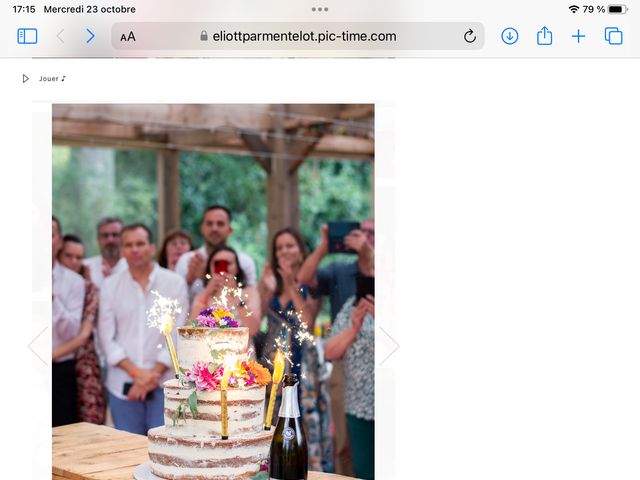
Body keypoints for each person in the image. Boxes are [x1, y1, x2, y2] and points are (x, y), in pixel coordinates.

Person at [296, 219, 374, 476]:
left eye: (372, 233)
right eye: (359, 232)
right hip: (345, 358)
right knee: (344, 440)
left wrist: (370, 255)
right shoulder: (341, 269)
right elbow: (303, 279)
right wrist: (325, 245)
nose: (365, 237)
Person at [98, 224, 189, 435]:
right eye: (128, 245)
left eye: (140, 243)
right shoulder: (110, 285)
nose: (135, 249)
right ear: (121, 250)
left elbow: (177, 333)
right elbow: (106, 338)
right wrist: (138, 373)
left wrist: (152, 375)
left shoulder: (174, 283)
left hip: (164, 382)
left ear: (152, 247)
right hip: (122, 382)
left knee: (163, 450)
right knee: (126, 451)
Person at [258, 228, 334, 472]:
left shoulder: (311, 283)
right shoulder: (271, 283)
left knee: (305, 415)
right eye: (279, 247)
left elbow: (307, 323)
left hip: (304, 362)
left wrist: (291, 284)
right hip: (275, 363)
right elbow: (256, 321)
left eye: (290, 246)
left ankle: (310, 469)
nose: (284, 251)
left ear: (302, 251)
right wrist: (267, 288)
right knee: (274, 416)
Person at [56, 234, 105, 424]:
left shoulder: (89, 288)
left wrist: (49, 356)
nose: (74, 262)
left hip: (83, 361)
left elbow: (83, 334)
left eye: (79, 257)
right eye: (69, 256)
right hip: (58, 360)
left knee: (86, 421)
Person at [325, 293, 375, 480]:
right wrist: (354, 328)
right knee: (363, 469)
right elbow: (329, 351)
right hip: (359, 404)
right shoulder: (353, 304)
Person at [175, 205, 257, 303]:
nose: (214, 228)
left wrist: (206, 276)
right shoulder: (187, 261)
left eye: (220, 224)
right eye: (209, 224)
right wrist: (189, 280)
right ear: (202, 228)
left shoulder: (244, 262)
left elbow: (251, 303)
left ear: (230, 230)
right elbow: (175, 301)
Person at [52, 217, 86, 427]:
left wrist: (51, 297)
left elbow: (71, 332)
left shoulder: (74, 281)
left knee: (61, 437)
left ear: (58, 240)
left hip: (59, 370)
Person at [190, 245, 261, 336]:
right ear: (210, 268)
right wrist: (207, 293)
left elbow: (253, 329)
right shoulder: (202, 296)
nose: (223, 268)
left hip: (242, 347)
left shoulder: (250, 292)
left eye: (228, 263)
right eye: (217, 264)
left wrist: (236, 295)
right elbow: (192, 330)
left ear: (237, 267)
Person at [83, 216, 128, 289]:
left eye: (115, 235)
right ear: (98, 239)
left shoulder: (133, 268)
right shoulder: (85, 267)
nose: (110, 240)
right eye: (105, 235)